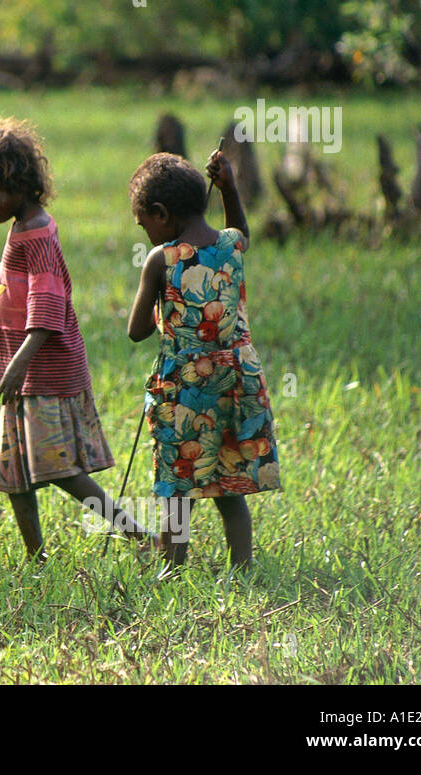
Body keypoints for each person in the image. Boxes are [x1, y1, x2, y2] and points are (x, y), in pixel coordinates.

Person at [0, 118, 152, 562]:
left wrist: (19, 361)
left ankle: (136, 532)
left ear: (16, 183)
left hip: (42, 373)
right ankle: (35, 558)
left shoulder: (37, 233)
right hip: (21, 372)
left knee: (58, 470)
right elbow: (19, 302)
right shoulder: (22, 226)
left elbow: (47, 306)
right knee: (13, 473)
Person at [127, 150, 281, 574]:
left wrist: (157, 298)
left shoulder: (161, 259)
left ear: (161, 214)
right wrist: (230, 187)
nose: (146, 234)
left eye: (145, 224)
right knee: (229, 480)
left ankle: (171, 570)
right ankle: (243, 568)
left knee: (177, 487)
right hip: (237, 381)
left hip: (187, 389)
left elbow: (136, 331)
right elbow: (240, 229)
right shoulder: (232, 245)